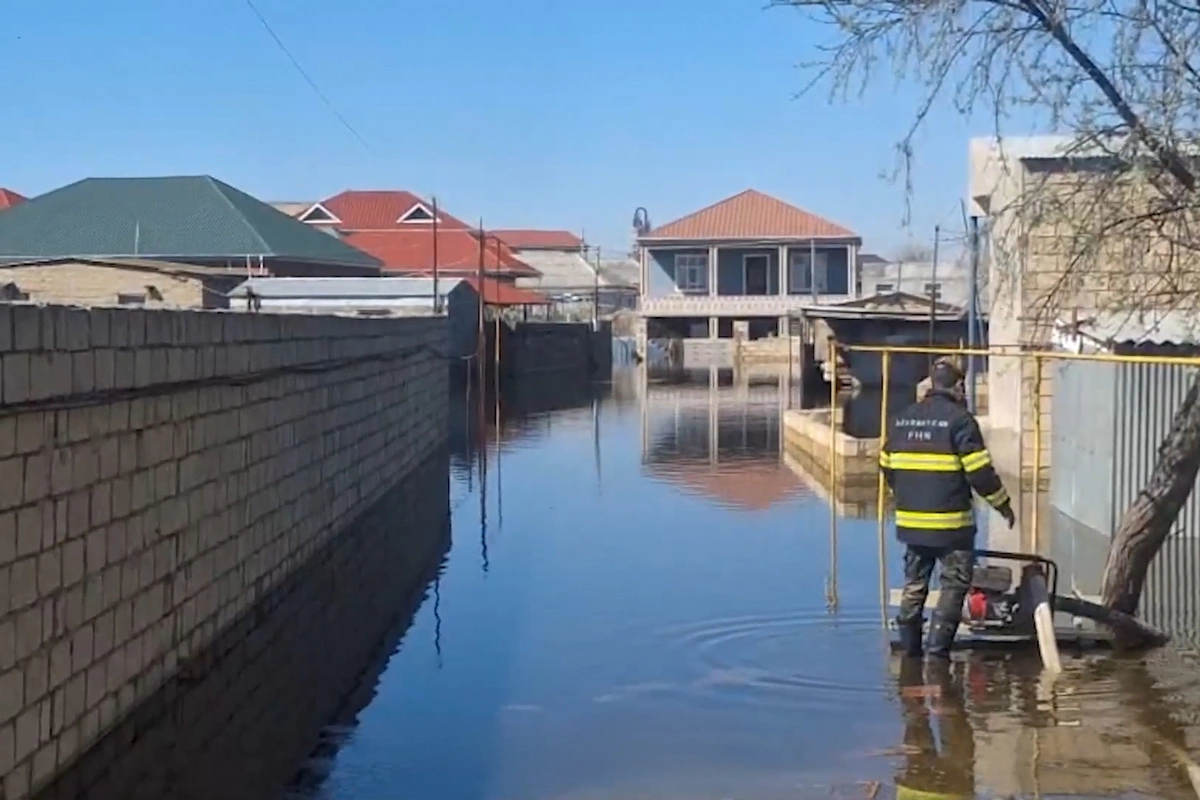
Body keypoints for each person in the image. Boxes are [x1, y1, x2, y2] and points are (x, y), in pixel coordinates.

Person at [879, 359, 1016, 660]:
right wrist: (1003, 505)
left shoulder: (902, 419)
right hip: (952, 527)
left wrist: (907, 495)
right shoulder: (961, 421)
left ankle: (910, 655)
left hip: (911, 526)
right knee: (953, 587)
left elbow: (886, 465)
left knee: (914, 585)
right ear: (957, 386)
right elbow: (980, 473)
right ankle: (938, 657)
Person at [894, 657, 976, 800]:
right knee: (952, 743)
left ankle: (922, 702)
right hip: (952, 789)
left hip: (930, 788)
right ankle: (940, 698)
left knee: (921, 749)